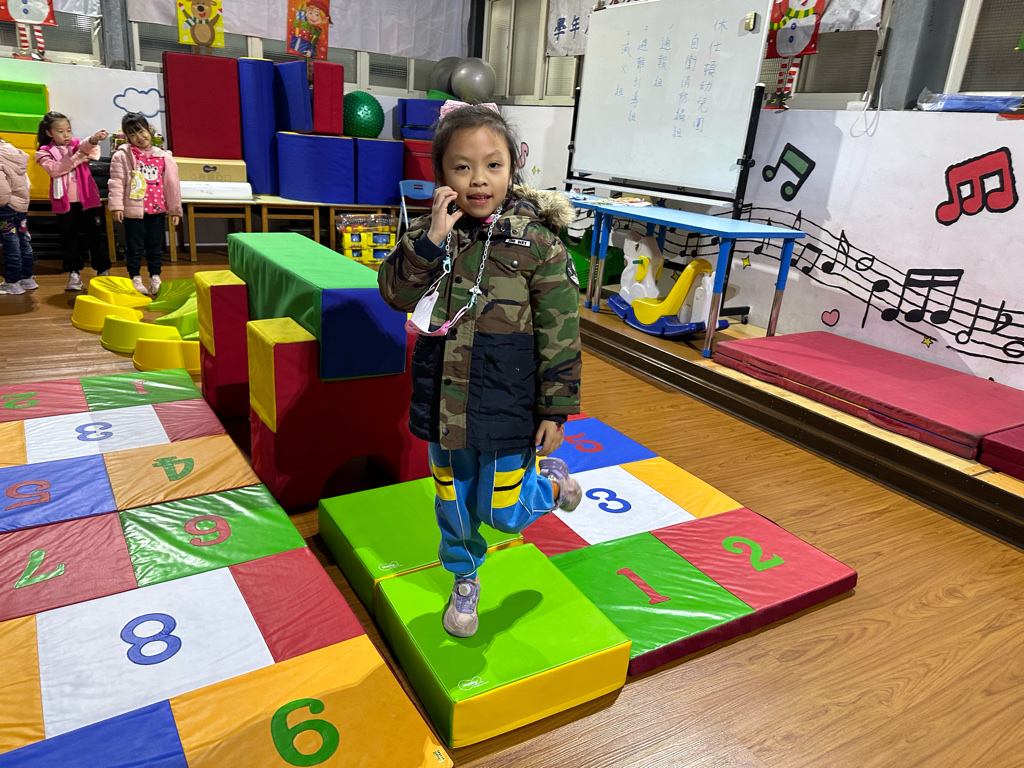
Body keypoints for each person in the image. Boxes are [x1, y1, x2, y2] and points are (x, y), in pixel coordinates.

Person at [379, 102, 583, 639]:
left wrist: (555, 409)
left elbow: (561, 332)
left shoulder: (539, 244)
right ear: (441, 173)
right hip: (444, 402)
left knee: (503, 513)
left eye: (492, 165)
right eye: (462, 167)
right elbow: (394, 293)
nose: (478, 180)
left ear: (513, 167)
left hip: (507, 403)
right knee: (453, 505)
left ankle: (551, 486)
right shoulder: (432, 232)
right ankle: (464, 578)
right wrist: (430, 240)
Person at [34, 111, 111, 292]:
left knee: (95, 236)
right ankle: (74, 273)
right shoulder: (44, 152)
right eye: (60, 131)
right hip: (65, 203)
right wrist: (77, 159)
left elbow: (85, 146)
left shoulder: (77, 145)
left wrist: (94, 139)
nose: (66, 135)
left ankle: (102, 270)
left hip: (87, 200)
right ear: (49, 133)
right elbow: (55, 169)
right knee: (69, 238)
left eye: (68, 130)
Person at [107, 112, 181, 296]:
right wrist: (116, 206)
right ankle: (135, 277)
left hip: (157, 210)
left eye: (141, 131)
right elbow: (116, 182)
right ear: (127, 137)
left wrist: (175, 210)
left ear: (149, 129)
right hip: (133, 211)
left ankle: (155, 277)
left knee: (155, 246)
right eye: (132, 134)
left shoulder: (164, 156)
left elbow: (172, 185)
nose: (139, 137)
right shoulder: (122, 156)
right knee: (135, 247)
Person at [0, 137, 35, 295]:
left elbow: (2, 190)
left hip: (5, 207)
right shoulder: (12, 152)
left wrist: (2, 203)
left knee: (10, 244)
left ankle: (12, 282)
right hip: (21, 205)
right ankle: (27, 278)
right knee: (22, 240)